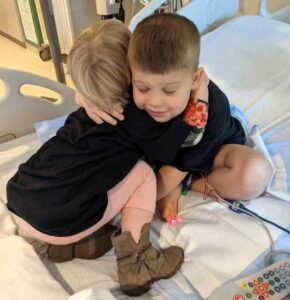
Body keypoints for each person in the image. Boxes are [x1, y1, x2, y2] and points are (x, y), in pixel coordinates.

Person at [6, 19, 186, 297]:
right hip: (62, 220)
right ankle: (138, 264)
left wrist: (81, 97)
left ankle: (73, 246)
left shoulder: (84, 108)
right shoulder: (145, 116)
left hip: (22, 199)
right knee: (143, 174)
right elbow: (177, 146)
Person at [80, 14, 273, 222]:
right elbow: (98, 87)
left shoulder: (208, 112)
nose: (155, 102)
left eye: (169, 91)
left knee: (255, 174)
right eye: (143, 88)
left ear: (195, 79)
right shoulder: (133, 91)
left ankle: (188, 185)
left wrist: (137, 201)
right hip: (162, 154)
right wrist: (85, 98)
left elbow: (181, 165)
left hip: (206, 153)